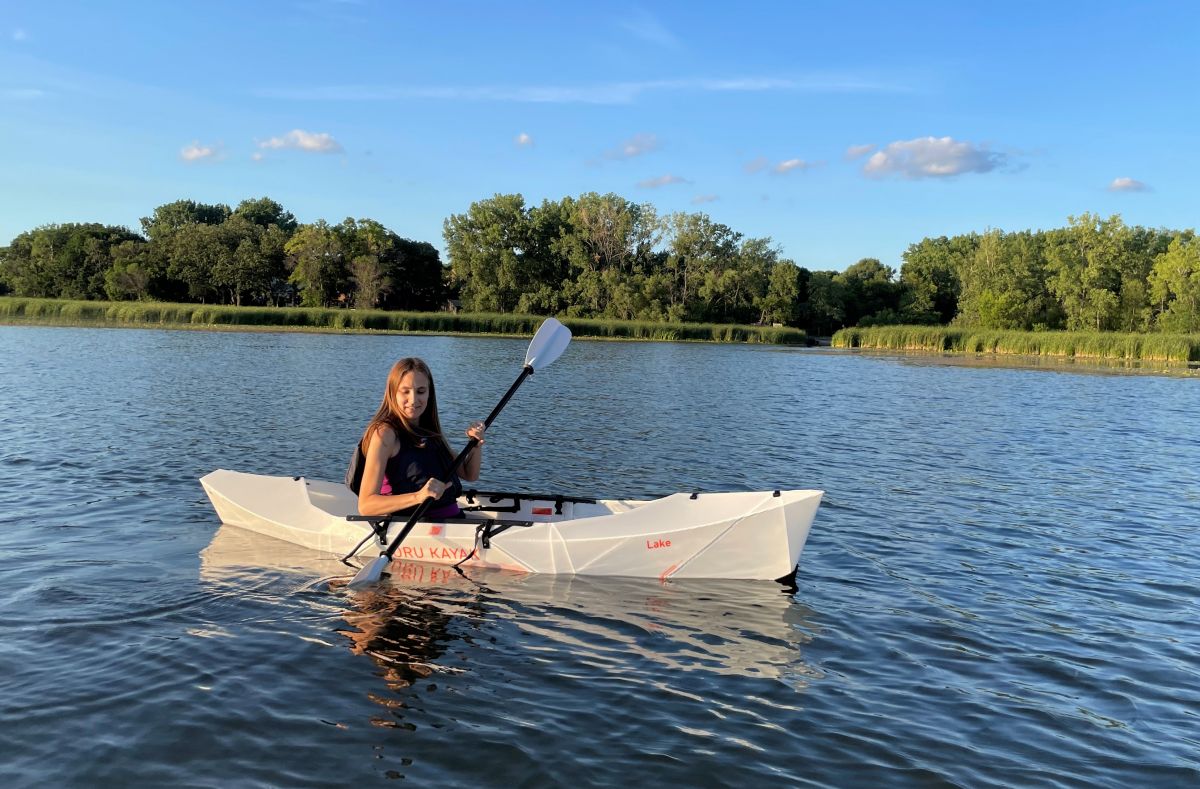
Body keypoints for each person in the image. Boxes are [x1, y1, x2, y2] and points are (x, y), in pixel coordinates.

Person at [356, 357, 485, 518]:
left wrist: (475, 445)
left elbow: (469, 474)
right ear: (392, 392)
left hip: (454, 522)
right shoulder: (385, 434)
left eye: (421, 391)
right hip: (417, 530)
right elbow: (366, 505)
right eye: (405, 391)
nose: (413, 400)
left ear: (430, 394)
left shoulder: (429, 431)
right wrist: (418, 496)